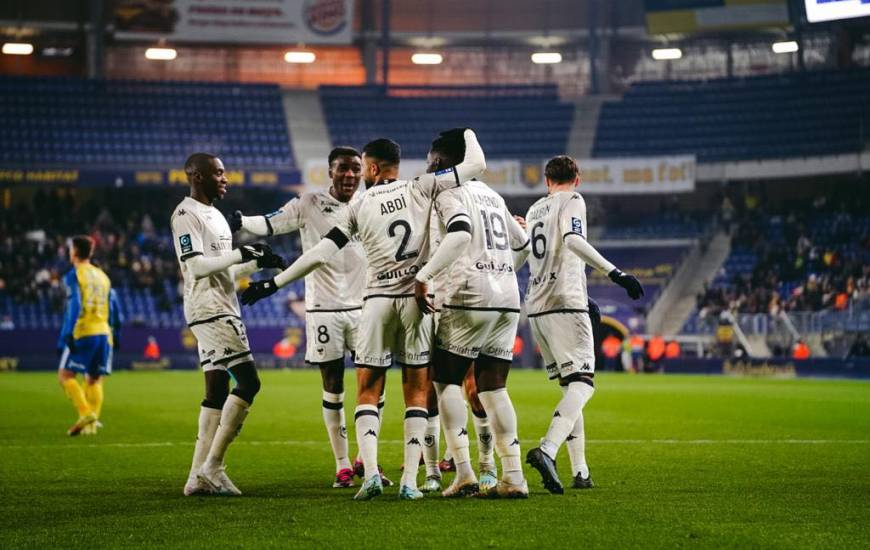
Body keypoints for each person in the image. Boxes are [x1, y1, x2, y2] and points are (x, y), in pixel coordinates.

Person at [241, 129, 486, 501]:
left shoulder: (357, 206)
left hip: (373, 303)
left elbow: (320, 253)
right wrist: (467, 133)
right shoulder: (421, 186)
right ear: (396, 166)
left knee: (368, 389)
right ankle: (408, 482)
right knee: (416, 391)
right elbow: (476, 165)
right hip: (415, 301)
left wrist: (273, 284)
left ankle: (370, 474)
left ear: (371, 167)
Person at [230, 147, 390, 490]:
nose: (349, 175)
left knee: (374, 386)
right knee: (333, 387)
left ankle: (368, 458)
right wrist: (243, 222)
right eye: (342, 169)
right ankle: (343, 464)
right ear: (329, 172)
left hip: (367, 306)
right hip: (324, 309)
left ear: (363, 172)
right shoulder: (308, 204)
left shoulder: (370, 203)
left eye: (355, 169)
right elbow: (271, 223)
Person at [418, 130, 530, 498]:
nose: (429, 168)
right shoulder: (493, 196)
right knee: (494, 387)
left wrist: (425, 276)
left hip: (467, 294)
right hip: (507, 296)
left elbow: (460, 233)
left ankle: (464, 472)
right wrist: (502, 271)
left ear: (447, 162)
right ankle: (513, 477)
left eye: (433, 162)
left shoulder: (448, 192)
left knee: (445, 379)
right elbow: (523, 244)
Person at [523, 155, 644, 494]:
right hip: (564, 302)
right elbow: (573, 241)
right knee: (584, 384)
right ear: (577, 180)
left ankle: (581, 470)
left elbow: (533, 255)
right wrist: (616, 273)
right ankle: (547, 449)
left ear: (546, 182)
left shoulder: (534, 211)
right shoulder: (574, 200)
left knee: (570, 387)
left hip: (537, 305)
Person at [172, 153, 286, 497]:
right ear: (197, 176)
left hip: (221, 306)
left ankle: (196, 476)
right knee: (250, 382)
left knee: (216, 392)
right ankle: (213, 467)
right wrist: (242, 253)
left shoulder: (218, 217)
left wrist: (256, 263)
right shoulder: (185, 214)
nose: (226, 178)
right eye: (218, 173)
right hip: (210, 310)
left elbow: (223, 269)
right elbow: (195, 268)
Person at [57, 235, 122, 437]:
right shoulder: (103, 276)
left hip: (84, 330)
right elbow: (115, 309)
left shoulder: (74, 275)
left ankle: (85, 414)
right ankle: (91, 426)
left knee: (65, 375)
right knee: (94, 379)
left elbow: (74, 305)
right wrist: (116, 332)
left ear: (74, 252)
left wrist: (67, 333)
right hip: (104, 332)